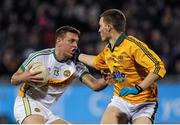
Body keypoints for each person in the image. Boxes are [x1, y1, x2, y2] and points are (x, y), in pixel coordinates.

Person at [76, 9, 166, 124]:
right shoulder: (108, 50)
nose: (99, 30)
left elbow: (158, 66)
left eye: (100, 26)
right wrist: (77, 56)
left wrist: (138, 88)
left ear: (108, 27)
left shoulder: (132, 45)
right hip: (121, 101)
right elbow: (95, 61)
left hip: (145, 103)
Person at [11, 26, 112, 124]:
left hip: (46, 110)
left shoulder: (76, 66)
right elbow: (13, 79)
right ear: (59, 41)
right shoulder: (40, 57)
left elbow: (95, 85)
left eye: (76, 41)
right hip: (27, 102)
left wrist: (106, 79)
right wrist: (23, 77)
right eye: (71, 41)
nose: (75, 45)